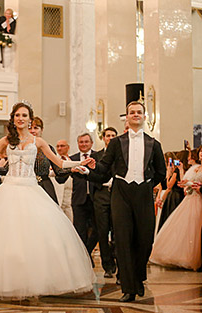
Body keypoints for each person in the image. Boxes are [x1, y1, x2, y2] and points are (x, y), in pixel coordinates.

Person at [0, 102, 96, 299]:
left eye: (24, 115)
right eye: (17, 115)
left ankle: (31, 283)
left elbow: (60, 162)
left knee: (32, 239)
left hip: (31, 190)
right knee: (3, 239)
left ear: (30, 119)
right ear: (13, 119)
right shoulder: (5, 141)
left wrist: (80, 162)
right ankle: (3, 283)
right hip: (9, 189)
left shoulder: (38, 142)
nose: (21, 118)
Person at [86, 101, 166, 302]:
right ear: (127, 117)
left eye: (139, 112)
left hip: (144, 192)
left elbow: (161, 172)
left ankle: (138, 278)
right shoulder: (116, 142)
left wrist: (145, 184)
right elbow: (104, 169)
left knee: (145, 239)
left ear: (145, 117)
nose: (136, 115)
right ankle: (129, 288)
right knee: (122, 239)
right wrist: (88, 170)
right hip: (120, 192)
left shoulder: (153, 144)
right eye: (132, 112)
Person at [150, 146, 202, 271]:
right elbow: (184, 182)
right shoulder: (195, 168)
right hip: (190, 197)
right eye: (200, 152)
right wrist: (185, 181)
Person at [86, 127, 118, 279]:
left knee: (118, 232)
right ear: (103, 138)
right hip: (101, 194)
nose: (110, 138)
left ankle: (119, 262)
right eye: (108, 135)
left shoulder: (120, 154)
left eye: (113, 135)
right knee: (102, 231)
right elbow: (92, 175)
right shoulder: (97, 155)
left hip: (118, 194)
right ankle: (108, 266)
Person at [67, 133, 98, 261]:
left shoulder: (98, 156)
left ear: (91, 143)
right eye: (81, 142)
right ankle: (84, 258)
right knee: (80, 230)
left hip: (95, 198)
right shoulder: (72, 159)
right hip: (79, 199)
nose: (84, 144)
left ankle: (87, 252)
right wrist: (70, 169)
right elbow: (62, 177)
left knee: (97, 229)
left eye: (86, 142)